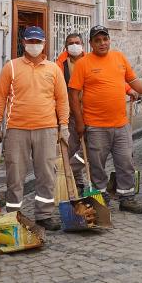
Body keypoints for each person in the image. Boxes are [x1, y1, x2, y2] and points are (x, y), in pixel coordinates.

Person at [68, 25, 142, 213]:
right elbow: (73, 94)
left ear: (109, 40)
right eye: (97, 40)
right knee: (97, 165)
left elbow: (132, 81)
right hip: (95, 126)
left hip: (121, 124)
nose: (102, 43)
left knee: (126, 161)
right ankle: (101, 198)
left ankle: (127, 198)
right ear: (91, 43)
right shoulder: (83, 64)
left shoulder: (119, 58)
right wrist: (79, 121)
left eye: (105, 39)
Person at [0, 26, 69, 231]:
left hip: (47, 128)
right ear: (24, 43)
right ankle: (13, 214)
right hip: (17, 129)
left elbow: (62, 99)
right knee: (14, 174)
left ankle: (44, 214)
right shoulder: (12, 67)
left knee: (46, 173)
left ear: (44, 43)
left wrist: (64, 125)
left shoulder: (53, 69)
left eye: (38, 42)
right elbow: (0, 97)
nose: (34, 45)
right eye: (30, 42)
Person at [56, 32, 87, 188]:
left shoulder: (90, 60)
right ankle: (77, 184)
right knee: (73, 148)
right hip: (70, 114)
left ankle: (72, 172)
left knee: (89, 150)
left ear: (83, 44)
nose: (74, 45)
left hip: (90, 112)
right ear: (66, 46)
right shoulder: (60, 64)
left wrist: (129, 90)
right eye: (70, 43)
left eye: (77, 42)